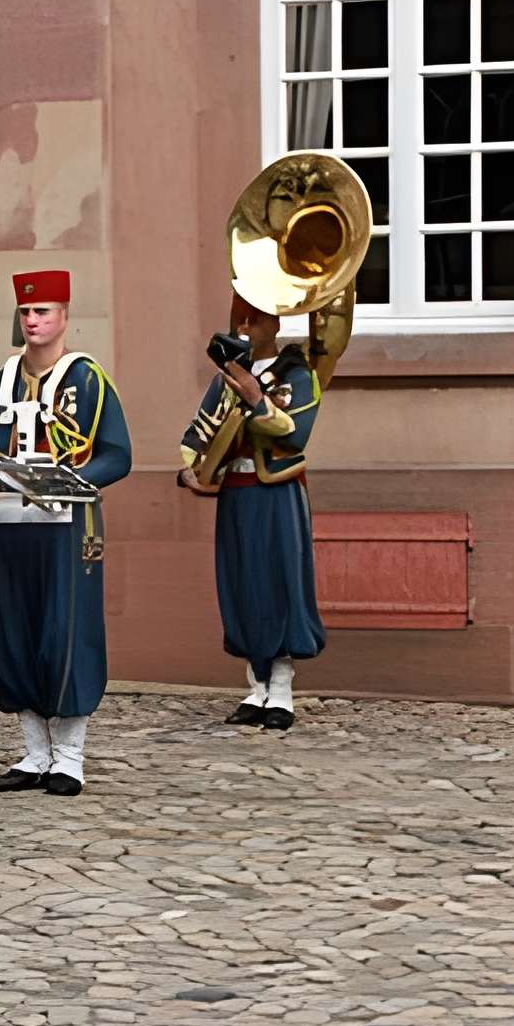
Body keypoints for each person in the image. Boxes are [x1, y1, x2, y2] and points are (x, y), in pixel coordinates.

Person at [0, 269, 130, 795]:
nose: (33, 320)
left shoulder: (88, 380)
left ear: (64, 316)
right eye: (26, 312)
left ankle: (69, 756)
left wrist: (72, 482)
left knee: (64, 634)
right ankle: (34, 752)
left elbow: (118, 455)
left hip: (66, 526)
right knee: (12, 631)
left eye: (43, 311)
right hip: (8, 524)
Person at [183, 293, 325, 728]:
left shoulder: (298, 375)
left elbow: (294, 434)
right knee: (242, 585)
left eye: (257, 318)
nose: (245, 325)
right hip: (236, 492)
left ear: (276, 325)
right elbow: (197, 433)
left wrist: (255, 399)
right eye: (239, 317)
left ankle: (281, 690)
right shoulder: (223, 380)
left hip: (275, 493)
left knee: (280, 584)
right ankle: (256, 687)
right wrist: (192, 467)